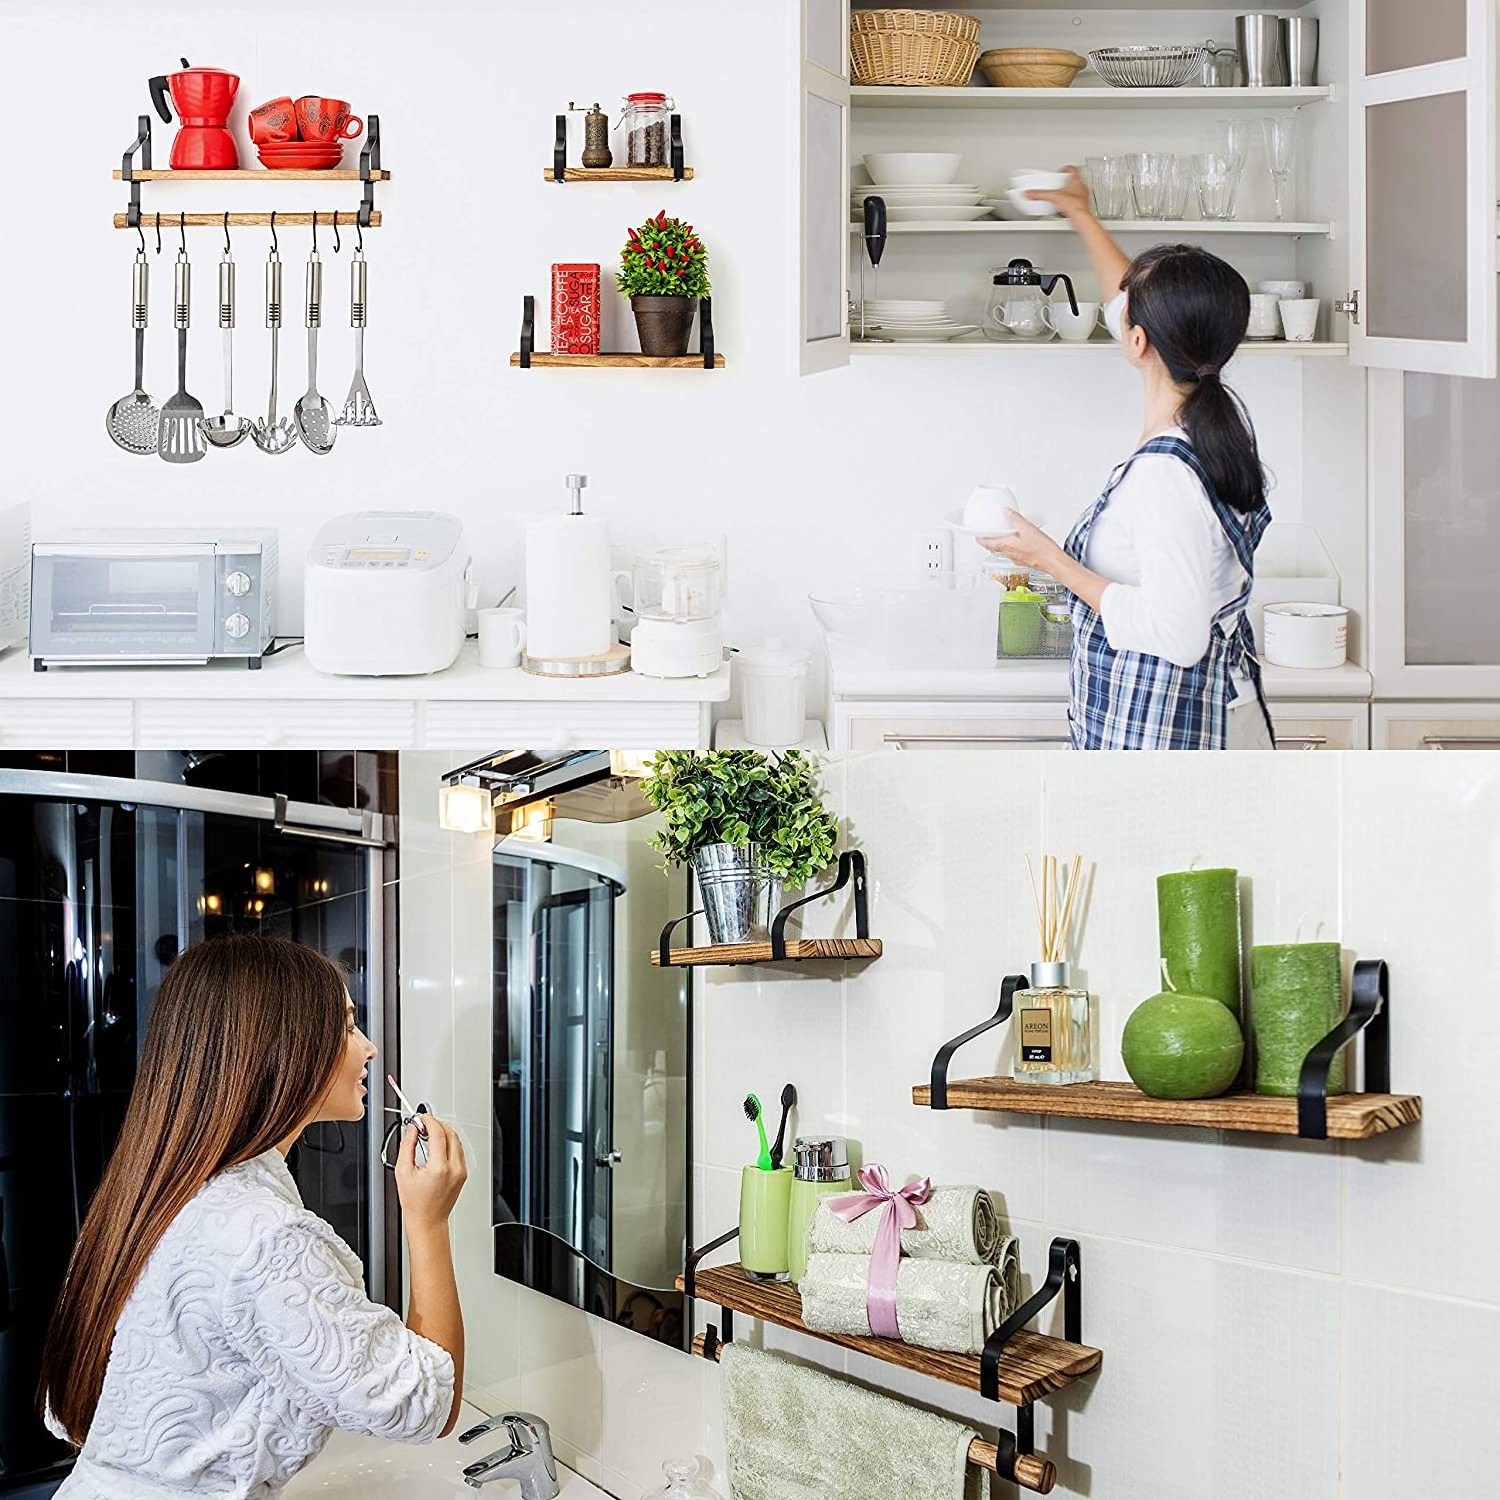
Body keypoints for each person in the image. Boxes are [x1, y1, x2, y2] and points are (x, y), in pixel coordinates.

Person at [38, 933, 468, 1498]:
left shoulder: (155, 1192)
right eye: (346, 1025)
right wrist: (427, 1220)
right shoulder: (268, 1237)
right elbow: (427, 1405)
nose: (368, 1048)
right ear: (282, 1048)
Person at [981, 166, 1277, 751]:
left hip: (1179, 742)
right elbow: (1129, 304)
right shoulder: (1214, 426)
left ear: (1139, 342)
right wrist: (1080, 213)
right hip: (1202, 721)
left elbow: (1179, 635)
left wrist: (1048, 558)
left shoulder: (1167, 476)